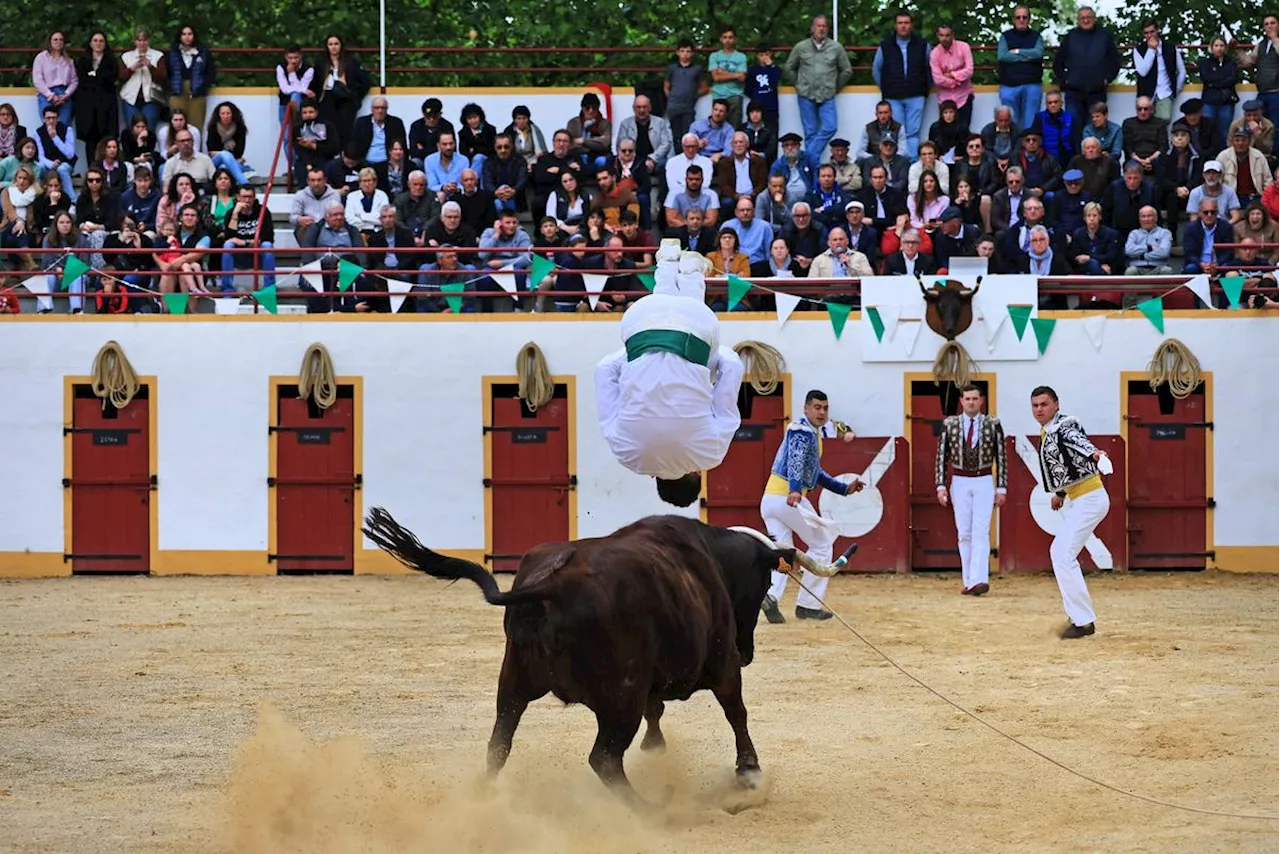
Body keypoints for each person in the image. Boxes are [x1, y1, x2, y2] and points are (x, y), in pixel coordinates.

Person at [594, 240, 745, 507]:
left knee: (697, 329)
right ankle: (666, 263)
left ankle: (692, 273)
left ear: (696, 473)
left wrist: (713, 357)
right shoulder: (627, 456)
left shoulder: (710, 455)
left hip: (697, 329)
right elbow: (604, 369)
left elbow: (732, 366)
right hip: (638, 321)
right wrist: (637, 353)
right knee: (662, 304)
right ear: (655, 478)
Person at [760, 390, 863, 623]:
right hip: (788, 498)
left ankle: (771, 597)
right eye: (817, 407)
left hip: (770, 500)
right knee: (822, 543)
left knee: (782, 553)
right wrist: (795, 489)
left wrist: (845, 489)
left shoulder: (810, 433)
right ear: (805, 409)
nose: (822, 412)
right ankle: (808, 605)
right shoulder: (802, 431)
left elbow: (816, 474)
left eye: (825, 408)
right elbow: (796, 459)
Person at [1030, 386, 1113, 639]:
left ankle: (1083, 620)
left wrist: (1096, 453)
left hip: (1091, 498)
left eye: (1044, 404)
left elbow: (1080, 443)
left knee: (1062, 554)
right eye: (1035, 406)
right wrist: (1062, 493)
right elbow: (1068, 464)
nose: (1039, 410)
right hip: (1082, 497)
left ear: (1056, 404)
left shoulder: (1065, 424)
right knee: (1060, 553)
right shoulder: (1048, 430)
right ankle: (1080, 616)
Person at [935, 385, 1007, 596]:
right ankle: (968, 580)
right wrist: (940, 486)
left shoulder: (993, 423)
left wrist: (1001, 487)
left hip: (984, 479)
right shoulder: (950, 424)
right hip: (959, 480)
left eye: (975, 398)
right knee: (964, 532)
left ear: (981, 400)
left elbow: (1001, 456)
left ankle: (979, 579)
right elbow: (941, 456)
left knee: (981, 530)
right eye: (968, 399)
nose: (971, 402)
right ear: (962, 401)